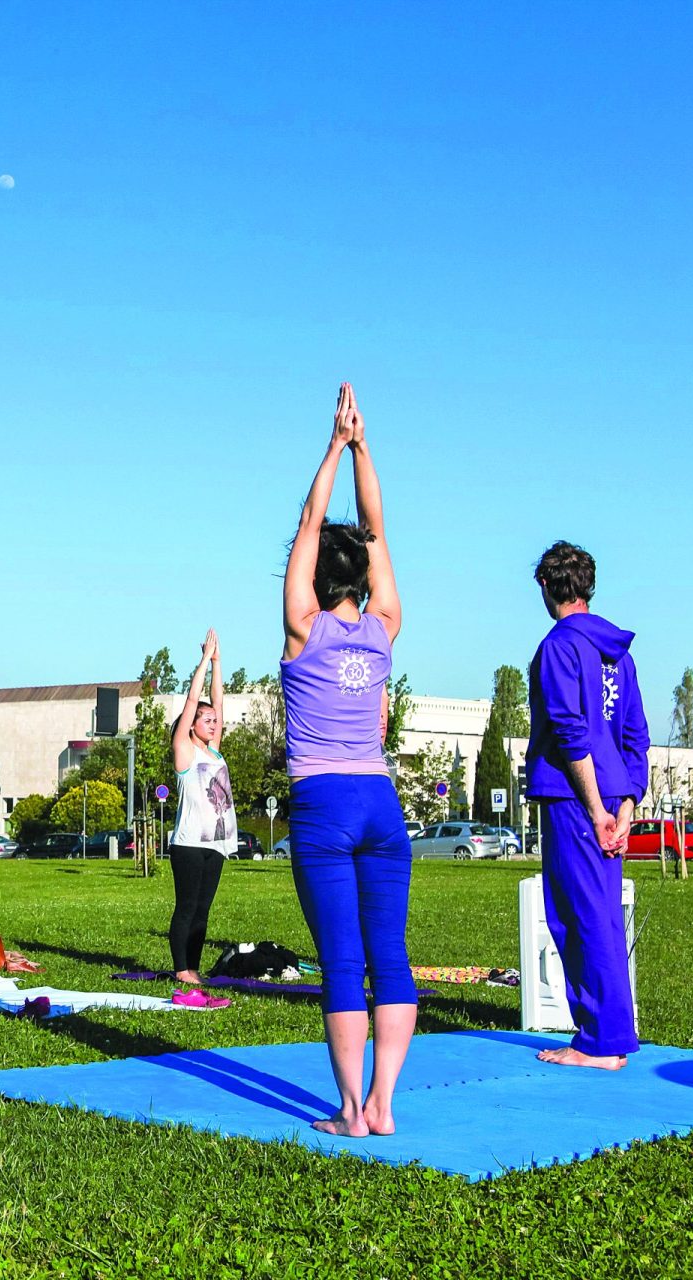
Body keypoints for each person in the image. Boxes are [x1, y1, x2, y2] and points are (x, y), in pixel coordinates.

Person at [279, 383, 417, 1137]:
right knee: (389, 957)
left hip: (324, 805)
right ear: (362, 575)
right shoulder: (385, 628)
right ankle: (385, 1106)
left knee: (341, 961)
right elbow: (379, 528)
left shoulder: (304, 629)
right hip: (381, 803)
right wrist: (366, 446)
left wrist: (332, 445)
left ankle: (348, 1110)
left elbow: (309, 521)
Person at [525, 541, 648, 1069]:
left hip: (577, 800)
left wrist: (599, 809)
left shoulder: (559, 647)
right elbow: (634, 734)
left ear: (546, 586)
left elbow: (571, 733)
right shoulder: (616, 652)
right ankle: (606, 1034)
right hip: (610, 798)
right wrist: (627, 803)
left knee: (580, 917)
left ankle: (601, 1042)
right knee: (599, 915)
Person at [168, 628, 236, 987]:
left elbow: (217, 702)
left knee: (203, 910)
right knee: (187, 907)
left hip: (217, 842)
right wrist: (204, 662)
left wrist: (220, 663)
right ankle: (182, 968)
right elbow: (195, 701)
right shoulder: (186, 751)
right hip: (189, 843)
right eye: (205, 720)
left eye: (214, 721)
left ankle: (193, 967)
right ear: (191, 725)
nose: (212, 722)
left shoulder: (215, 751)